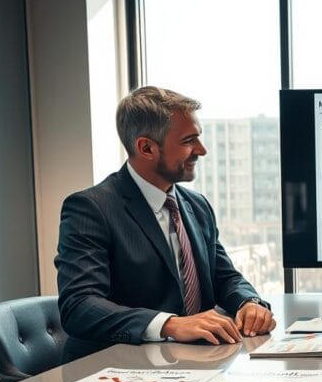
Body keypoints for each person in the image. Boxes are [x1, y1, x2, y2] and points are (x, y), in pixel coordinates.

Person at [56, 86, 275, 361]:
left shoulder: (197, 206)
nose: (202, 150)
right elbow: (79, 306)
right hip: (119, 371)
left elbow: (223, 276)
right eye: (188, 141)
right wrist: (171, 324)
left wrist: (249, 302)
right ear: (146, 147)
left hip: (196, 364)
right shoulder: (91, 209)